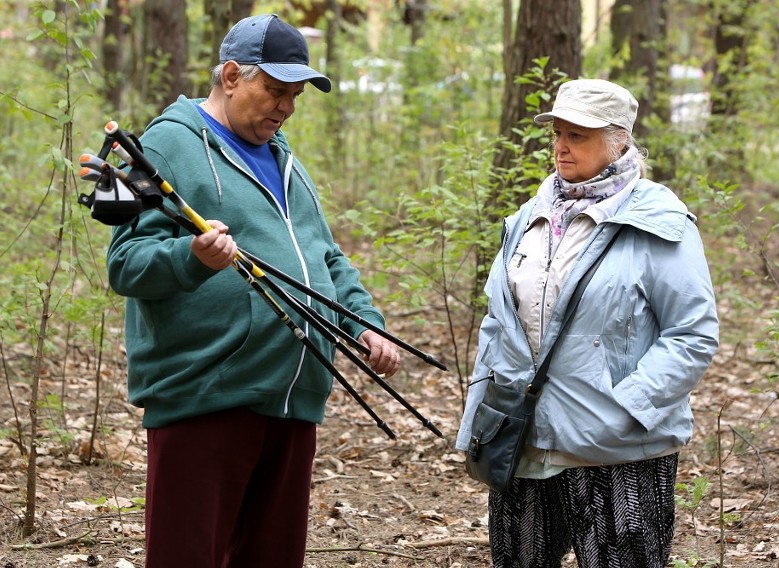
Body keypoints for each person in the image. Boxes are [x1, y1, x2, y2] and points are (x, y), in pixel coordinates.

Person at [107, 13, 401, 568]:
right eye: (275, 90)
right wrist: (191, 258)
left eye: (295, 95)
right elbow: (125, 263)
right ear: (233, 74)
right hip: (205, 396)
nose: (286, 107)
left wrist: (362, 323)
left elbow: (326, 258)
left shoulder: (284, 156)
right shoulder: (162, 145)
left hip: (293, 396)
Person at [456, 79, 719, 567]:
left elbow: (692, 333)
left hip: (617, 451)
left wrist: (628, 407)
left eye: (578, 135)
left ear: (618, 140)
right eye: (558, 132)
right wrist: (481, 412)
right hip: (524, 439)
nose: (561, 146)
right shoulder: (526, 221)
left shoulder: (659, 222)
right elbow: (498, 324)